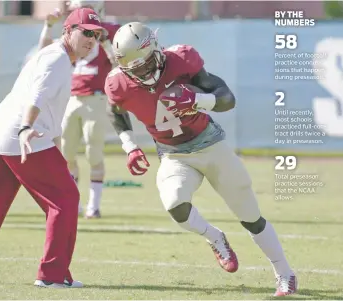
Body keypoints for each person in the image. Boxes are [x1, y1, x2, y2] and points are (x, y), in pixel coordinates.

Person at [104, 22, 298, 297]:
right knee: (174, 204)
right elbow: (115, 111)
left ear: (155, 50)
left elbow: (226, 98)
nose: (143, 73)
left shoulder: (181, 60)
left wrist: (198, 100)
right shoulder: (118, 83)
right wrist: (129, 145)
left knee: (250, 217)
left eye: (146, 64)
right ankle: (214, 237)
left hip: (210, 144)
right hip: (173, 154)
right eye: (135, 69)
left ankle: (285, 274)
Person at [0, 8, 106, 288]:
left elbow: (41, 58)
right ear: (69, 31)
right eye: (86, 32)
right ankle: (52, 276)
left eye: (97, 34)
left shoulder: (54, 52)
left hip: (0, 133)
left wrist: (48, 26)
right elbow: (38, 95)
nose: (92, 38)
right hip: (23, 136)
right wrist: (26, 127)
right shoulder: (58, 59)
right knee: (65, 199)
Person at [38, 0, 120, 218]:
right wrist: (48, 26)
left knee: (94, 153)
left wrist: (106, 43)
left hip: (96, 98)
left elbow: (121, 66)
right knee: (66, 154)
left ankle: (94, 204)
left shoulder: (111, 31)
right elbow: (44, 53)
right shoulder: (73, 29)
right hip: (71, 98)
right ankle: (74, 202)